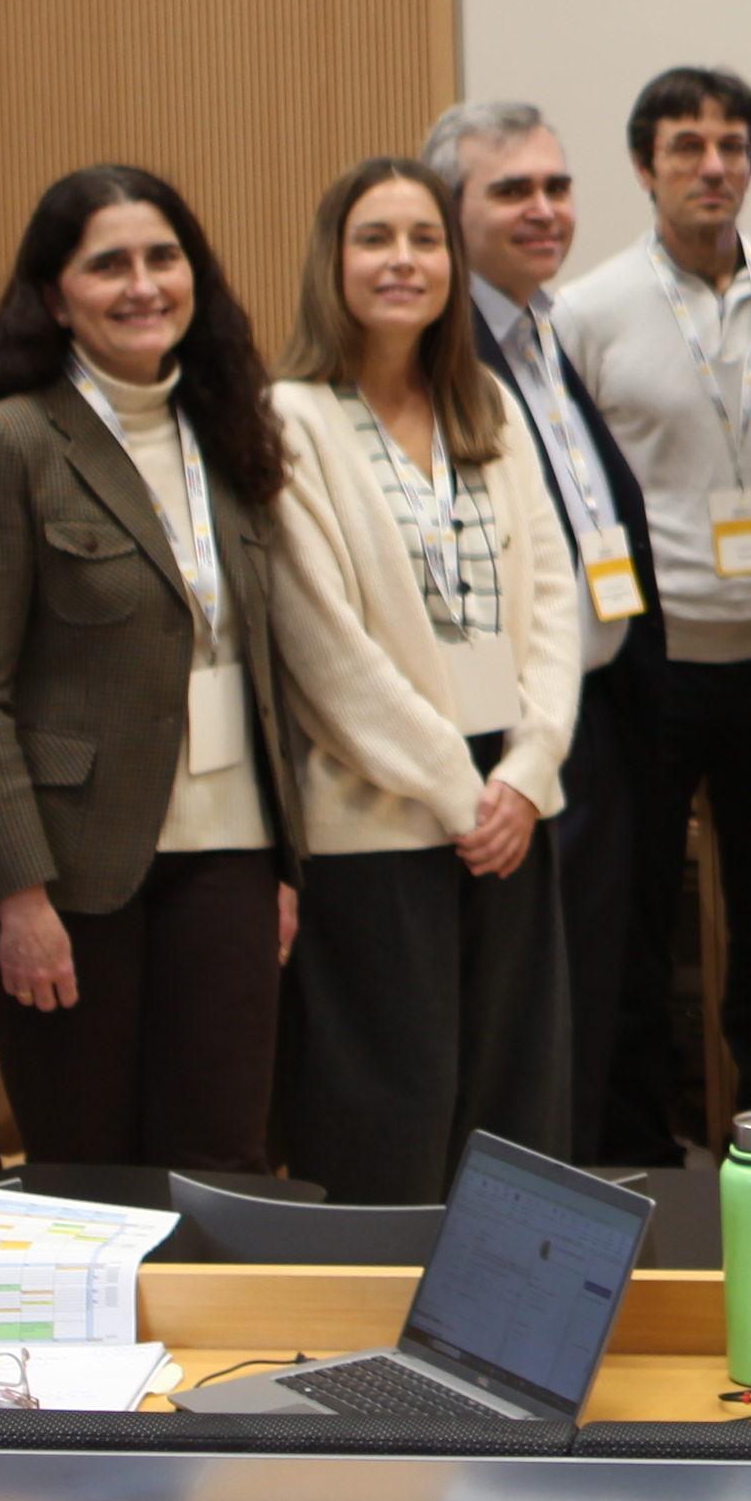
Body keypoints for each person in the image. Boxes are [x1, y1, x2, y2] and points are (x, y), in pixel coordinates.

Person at [0, 166, 298, 1178]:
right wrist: (19, 896)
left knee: (223, 1159)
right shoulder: (9, 443)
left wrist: (281, 864)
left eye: (163, 258)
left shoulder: (228, 430)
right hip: (68, 873)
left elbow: (251, 660)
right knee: (92, 1172)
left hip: (229, 848)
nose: (143, 286)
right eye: (109, 265)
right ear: (55, 296)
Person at [264, 157, 583, 1202]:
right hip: (383, 821)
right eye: (375, 238)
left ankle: (500, 1342)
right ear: (333, 262)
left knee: (512, 1111)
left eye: (423, 240)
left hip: (512, 818)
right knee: (391, 1117)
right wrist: (461, 793)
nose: (403, 261)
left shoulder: (482, 401)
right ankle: (380, 1351)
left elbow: (551, 602)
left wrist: (529, 772)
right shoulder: (290, 419)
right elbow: (324, 649)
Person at [554, 66, 751, 1147]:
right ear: (644, 167)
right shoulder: (585, 312)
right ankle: (642, 1150)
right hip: (652, 662)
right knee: (632, 926)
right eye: (686, 146)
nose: (712, 166)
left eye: (731, 146)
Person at [425, 99, 672, 1168]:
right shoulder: (441, 353)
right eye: (511, 189)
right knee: (533, 1027)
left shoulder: (543, 330)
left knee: (604, 1004)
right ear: (450, 209)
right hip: (509, 745)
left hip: (599, 720)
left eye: (557, 187)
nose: (544, 210)